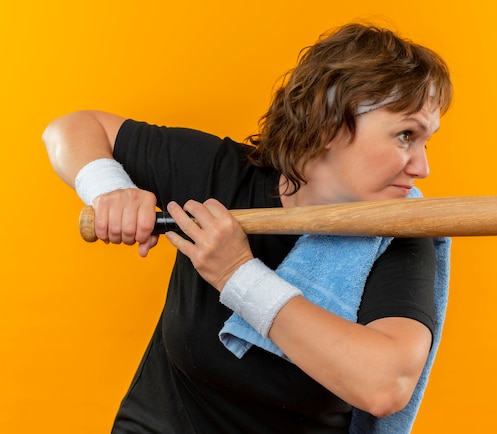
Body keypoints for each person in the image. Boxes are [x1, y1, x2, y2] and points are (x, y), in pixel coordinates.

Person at [43, 23, 453, 433]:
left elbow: (386, 385)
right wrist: (110, 189)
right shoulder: (221, 176)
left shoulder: (398, 235)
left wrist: (237, 274)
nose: (422, 167)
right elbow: (70, 129)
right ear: (332, 125)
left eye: (425, 141)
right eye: (405, 135)